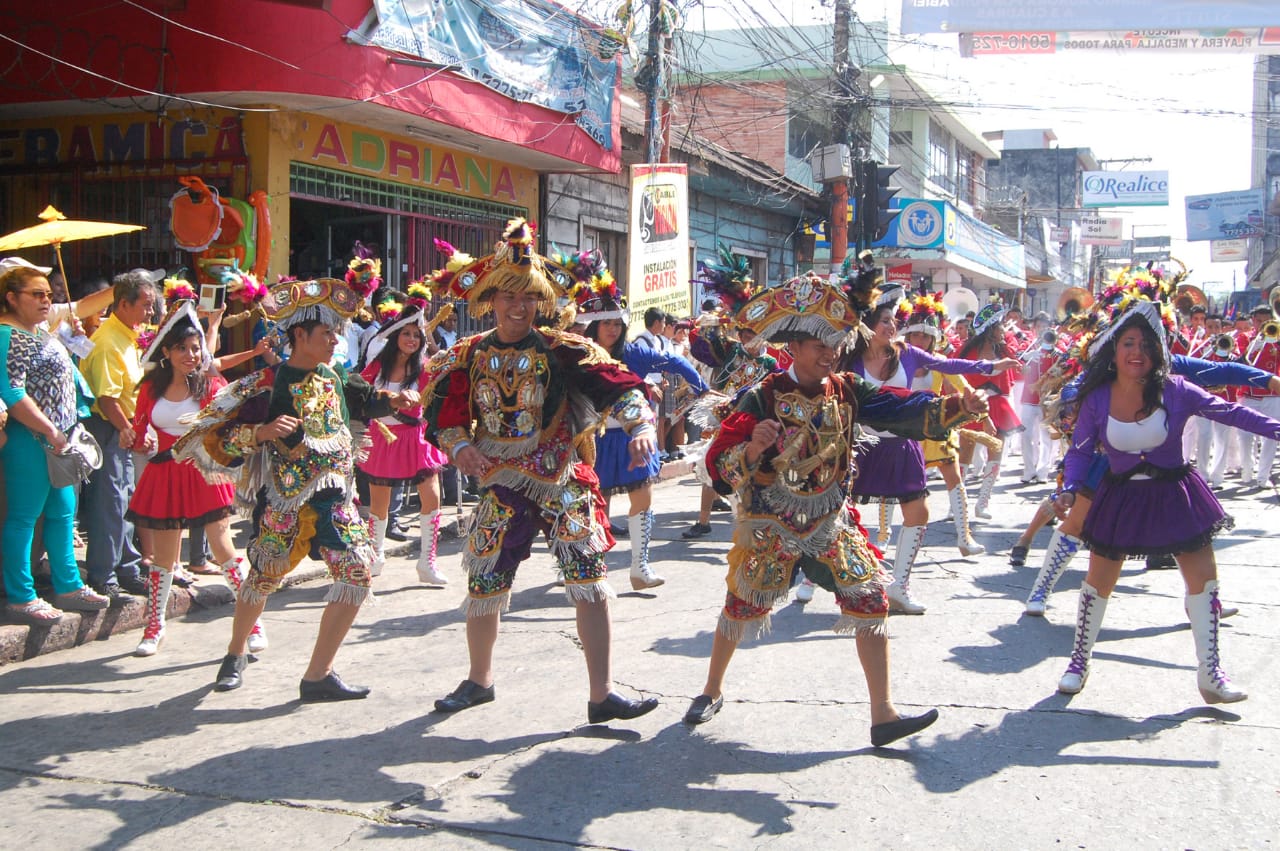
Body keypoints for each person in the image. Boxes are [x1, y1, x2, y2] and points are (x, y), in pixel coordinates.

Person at [682, 264, 987, 745]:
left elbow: (898, 405)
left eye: (834, 344)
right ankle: (710, 689)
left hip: (830, 521)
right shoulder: (762, 396)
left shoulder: (847, 389)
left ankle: (883, 715)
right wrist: (755, 449)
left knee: (871, 600)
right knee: (741, 605)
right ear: (794, 349)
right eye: (818, 345)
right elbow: (719, 462)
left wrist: (953, 409)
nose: (830, 352)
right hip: (770, 524)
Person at [422, 219, 660, 724]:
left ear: (540, 301)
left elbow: (618, 385)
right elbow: (443, 414)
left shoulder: (562, 348)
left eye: (528, 297)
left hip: (560, 477)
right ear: (490, 299)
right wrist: (461, 446)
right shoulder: (470, 353)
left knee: (589, 580)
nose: (518, 306)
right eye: (508, 296)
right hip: (499, 482)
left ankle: (603, 695)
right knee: (484, 580)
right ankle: (478, 680)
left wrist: (640, 424)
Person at [174, 275, 419, 700]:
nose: (334, 340)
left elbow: (367, 400)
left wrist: (393, 402)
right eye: (326, 333)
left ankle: (318, 675)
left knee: (357, 575)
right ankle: (235, 652)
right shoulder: (266, 385)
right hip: (285, 501)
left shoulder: (337, 376)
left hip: (337, 499)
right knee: (263, 578)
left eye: (336, 332)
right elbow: (218, 437)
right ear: (300, 335)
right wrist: (262, 432)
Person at [1053, 300, 1280, 703]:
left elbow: (1231, 412)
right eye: (1128, 343)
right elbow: (1081, 452)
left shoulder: (1176, 389)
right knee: (1097, 585)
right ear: (1114, 350)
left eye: (1145, 344)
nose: (1137, 352)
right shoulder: (1098, 399)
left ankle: (1210, 673)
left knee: (1204, 583)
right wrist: (1068, 488)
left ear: (1157, 351)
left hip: (1177, 495)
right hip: (1120, 497)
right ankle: (1078, 661)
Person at [838, 284, 1016, 612]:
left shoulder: (907, 353)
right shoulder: (848, 359)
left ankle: (899, 586)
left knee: (918, 512)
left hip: (903, 444)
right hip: (861, 445)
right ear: (865, 325)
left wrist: (989, 368)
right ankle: (814, 579)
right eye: (883, 321)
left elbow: (946, 365)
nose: (890, 326)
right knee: (836, 512)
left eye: (893, 320)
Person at [124, 299, 267, 656]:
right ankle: (154, 627)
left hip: (205, 472)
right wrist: (132, 437)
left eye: (195, 348)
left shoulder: (211, 385)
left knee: (223, 549)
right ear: (167, 353)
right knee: (163, 557)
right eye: (183, 348)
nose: (191, 354)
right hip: (165, 473)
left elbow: (232, 424)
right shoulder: (149, 389)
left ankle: (252, 621)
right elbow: (141, 432)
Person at [571, 254, 709, 590]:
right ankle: (591, 569)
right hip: (595, 440)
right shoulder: (577, 356)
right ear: (593, 326)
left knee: (643, 498)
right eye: (607, 324)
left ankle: (639, 566)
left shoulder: (633, 352)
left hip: (636, 438)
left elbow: (675, 362)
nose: (614, 329)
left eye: (618, 323)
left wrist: (701, 387)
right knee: (592, 504)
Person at [0, 266, 111, 624]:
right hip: (31, 439)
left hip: (59, 438)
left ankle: (68, 586)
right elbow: (12, 392)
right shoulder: (7, 335)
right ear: (12, 298)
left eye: (48, 294)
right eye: (37, 294)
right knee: (23, 518)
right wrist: (49, 429)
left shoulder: (39, 332)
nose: (46, 300)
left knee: (63, 514)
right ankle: (21, 596)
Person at [359, 289, 452, 586]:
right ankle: (376, 556)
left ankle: (427, 562)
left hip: (415, 439)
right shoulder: (377, 366)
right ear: (396, 335)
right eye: (407, 334)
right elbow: (359, 390)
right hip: (382, 437)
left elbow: (439, 395)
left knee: (432, 495)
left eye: (417, 335)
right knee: (379, 503)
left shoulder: (424, 368)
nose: (412, 339)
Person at [685, 244, 777, 540]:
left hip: (752, 420)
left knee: (752, 472)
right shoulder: (730, 351)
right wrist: (723, 314)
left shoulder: (771, 363)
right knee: (709, 466)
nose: (750, 340)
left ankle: (749, 523)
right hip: (723, 413)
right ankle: (703, 520)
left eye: (755, 335)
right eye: (746, 334)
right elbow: (701, 338)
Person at [79, 269, 160, 602]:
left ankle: (126, 567)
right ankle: (104, 574)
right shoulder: (108, 341)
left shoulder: (128, 334)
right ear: (123, 304)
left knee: (126, 501)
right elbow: (107, 397)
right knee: (110, 504)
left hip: (126, 426)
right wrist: (128, 430)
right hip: (110, 427)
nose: (151, 313)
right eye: (146, 306)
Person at [957, 302, 1021, 518]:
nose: (1004, 330)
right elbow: (956, 380)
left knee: (996, 452)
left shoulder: (1003, 351)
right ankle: (957, 503)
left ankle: (983, 502)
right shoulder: (967, 351)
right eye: (1000, 326)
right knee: (965, 451)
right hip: (973, 404)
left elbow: (1008, 384)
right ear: (990, 329)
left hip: (998, 406)